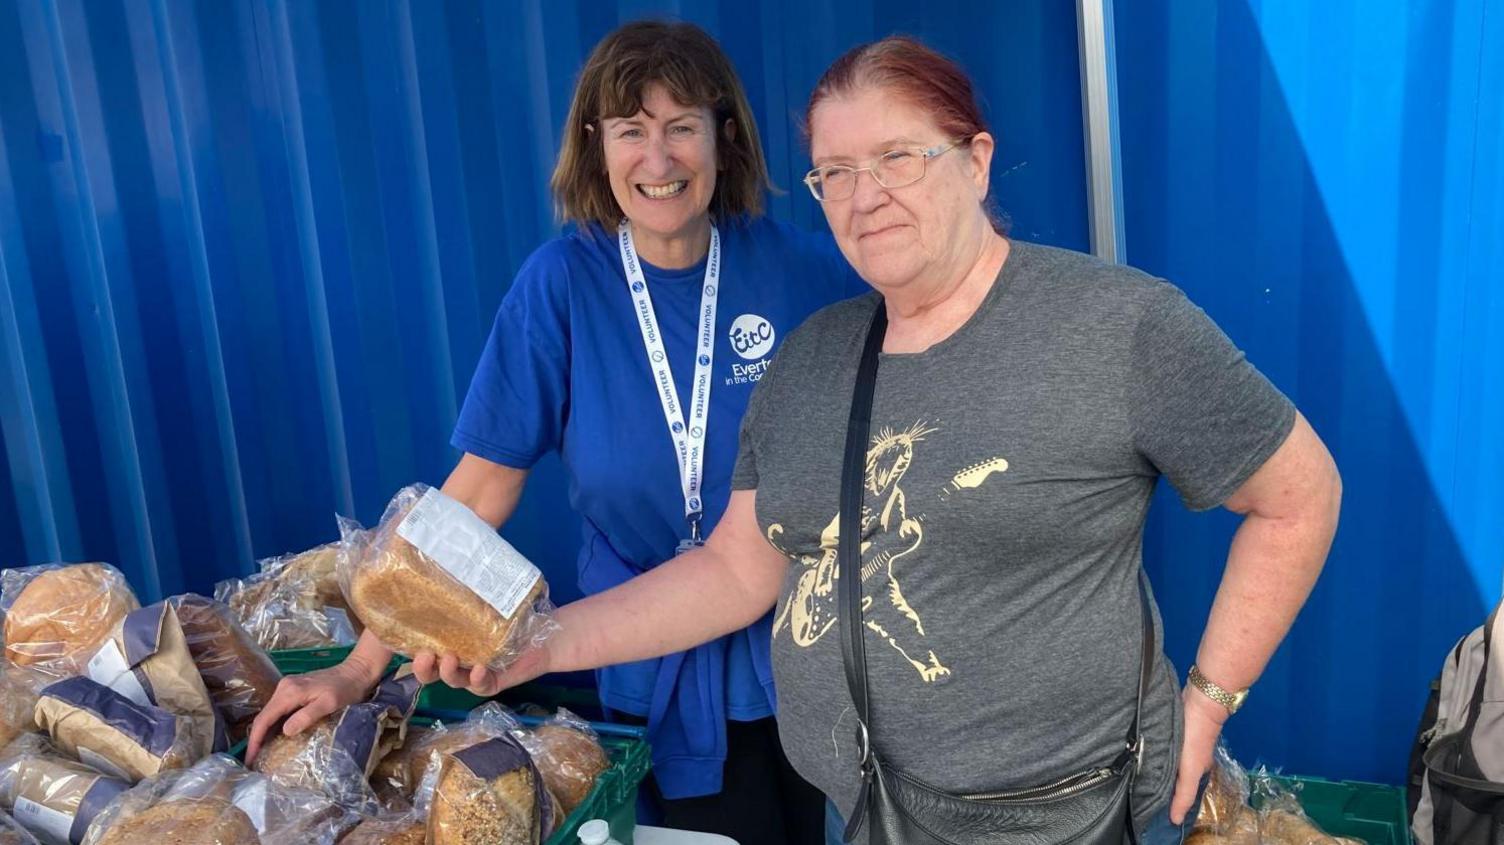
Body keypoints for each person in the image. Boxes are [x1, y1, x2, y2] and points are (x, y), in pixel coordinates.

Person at [417, 35, 1343, 845]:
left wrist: (1210, 698)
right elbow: (736, 572)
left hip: (1062, 817)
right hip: (861, 811)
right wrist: (537, 644)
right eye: (837, 173)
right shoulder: (816, 355)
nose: (866, 198)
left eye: (897, 158)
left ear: (976, 161)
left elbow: (1299, 495)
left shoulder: (1119, 326)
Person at [248, 20, 859, 845]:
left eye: (682, 127)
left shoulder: (807, 271)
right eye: (632, 131)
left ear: (724, 137)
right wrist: (362, 666)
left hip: (799, 653)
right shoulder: (562, 286)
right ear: (595, 146)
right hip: (638, 658)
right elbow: (476, 493)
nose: (659, 158)